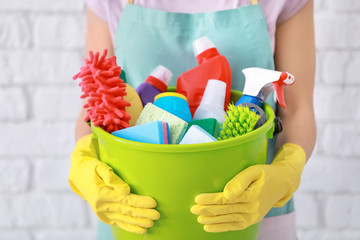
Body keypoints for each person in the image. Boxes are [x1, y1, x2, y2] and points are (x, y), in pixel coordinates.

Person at [69, 0, 316, 239]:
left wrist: (287, 169)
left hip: (251, 204)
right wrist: (83, 156)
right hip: (134, 211)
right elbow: (94, 103)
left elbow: (297, 109)